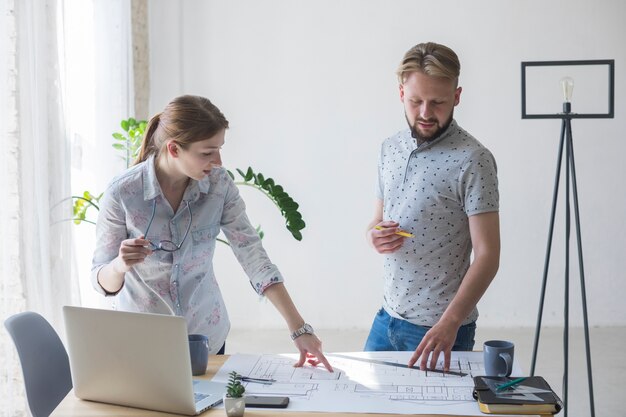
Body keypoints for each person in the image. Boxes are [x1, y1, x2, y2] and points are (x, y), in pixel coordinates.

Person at [91, 95, 332, 371]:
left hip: (206, 339)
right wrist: (120, 265)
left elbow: (253, 256)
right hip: (143, 343)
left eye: (219, 148)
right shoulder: (123, 193)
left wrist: (299, 329)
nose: (217, 161)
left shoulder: (219, 186)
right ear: (174, 149)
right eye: (207, 152)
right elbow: (101, 280)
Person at [364, 42, 500, 372]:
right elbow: (376, 221)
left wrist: (450, 322)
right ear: (401, 94)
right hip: (387, 318)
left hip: (440, 330)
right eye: (415, 101)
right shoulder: (389, 149)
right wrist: (373, 235)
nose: (425, 113)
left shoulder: (474, 160)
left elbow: (488, 255)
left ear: (456, 96)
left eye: (437, 102)